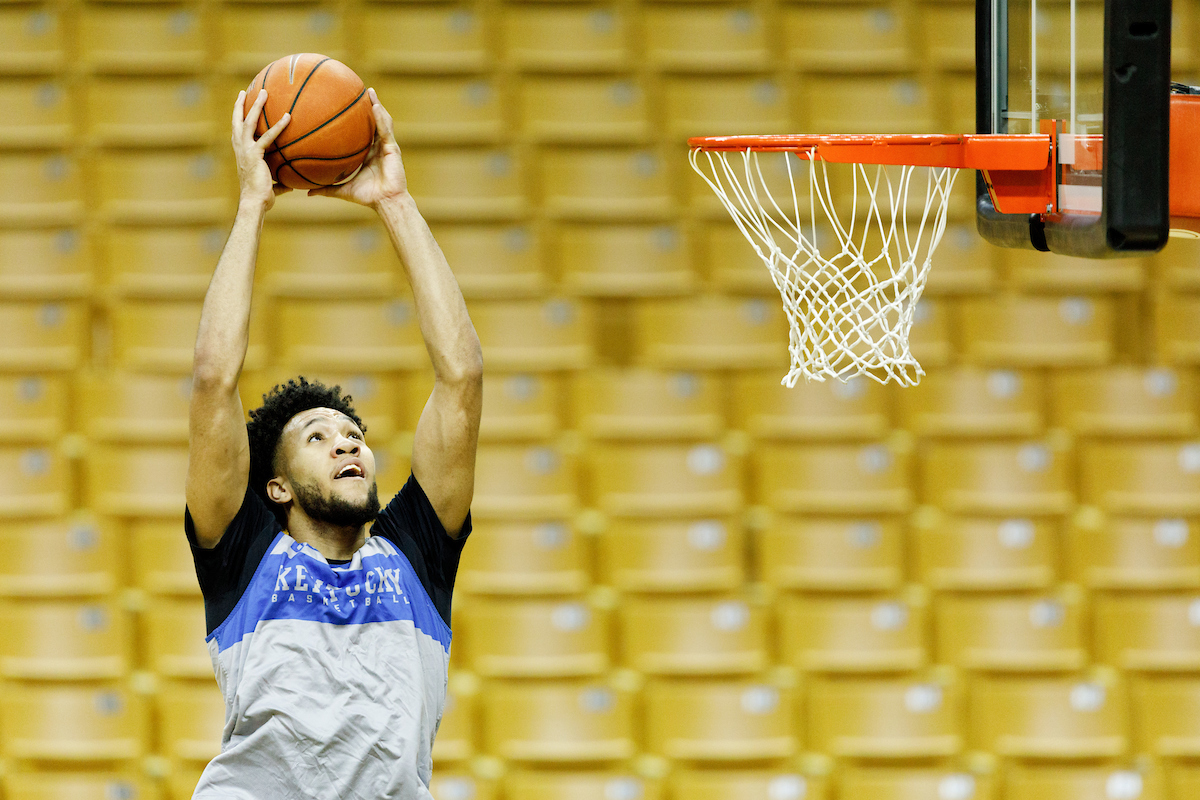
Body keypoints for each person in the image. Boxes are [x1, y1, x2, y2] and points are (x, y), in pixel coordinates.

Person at [184, 86, 482, 799]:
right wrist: (253, 203)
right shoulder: (244, 552)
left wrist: (395, 202)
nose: (347, 444)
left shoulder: (416, 551)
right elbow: (212, 379)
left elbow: (462, 374)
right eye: (318, 437)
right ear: (276, 485)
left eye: (353, 434)